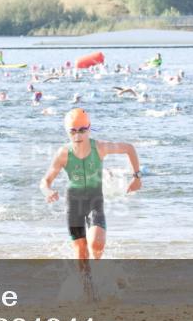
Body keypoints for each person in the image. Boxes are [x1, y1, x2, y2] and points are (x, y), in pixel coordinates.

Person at [40, 108, 142, 261]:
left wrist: (137, 177)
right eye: (73, 131)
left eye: (82, 130)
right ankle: (86, 283)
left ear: (89, 129)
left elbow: (129, 148)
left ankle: (98, 273)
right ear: (67, 132)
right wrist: (47, 191)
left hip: (95, 201)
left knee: (97, 244)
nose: (78, 135)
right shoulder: (63, 153)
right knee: (81, 252)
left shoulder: (99, 147)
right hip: (74, 204)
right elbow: (45, 181)